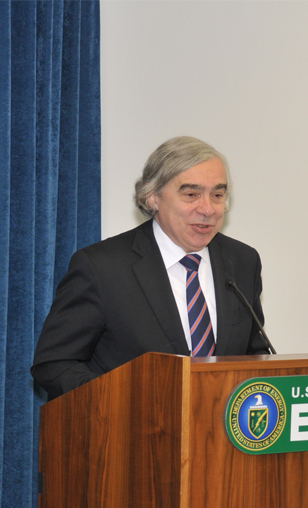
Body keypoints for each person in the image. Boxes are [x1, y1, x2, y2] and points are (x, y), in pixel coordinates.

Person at [31, 136, 269, 399]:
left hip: (218, 433)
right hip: (128, 432)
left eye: (217, 195)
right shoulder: (102, 268)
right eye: (191, 194)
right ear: (153, 196)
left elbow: (253, 355)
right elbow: (54, 364)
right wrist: (121, 404)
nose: (208, 209)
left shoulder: (243, 261)